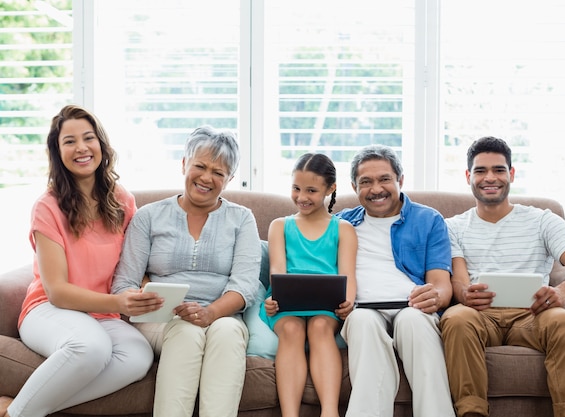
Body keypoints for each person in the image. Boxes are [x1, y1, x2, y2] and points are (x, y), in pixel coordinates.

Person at [0, 105, 162, 417]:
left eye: (88, 138)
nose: (81, 148)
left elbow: (135, 262)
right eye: (69, 141)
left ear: (101, 144)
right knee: (92, 348)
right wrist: (119, 304)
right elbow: (58, 291)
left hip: (102, 315)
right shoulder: (47, 207)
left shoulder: (122, 200)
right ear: (57, 151)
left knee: (137, 355)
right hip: (49, 309)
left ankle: (18, 409)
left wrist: (145, 291)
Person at [439, 136, 565, 417]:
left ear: (511, 174)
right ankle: (472, 412)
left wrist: (562, 291)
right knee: (456, 318)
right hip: (481, 315)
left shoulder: (543, 219)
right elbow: (457, 279)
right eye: (480, 171)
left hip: (535, 315)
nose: (489, 178)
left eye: (499, 170)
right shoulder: (452, 226)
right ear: (469, 176)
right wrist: (464, 293)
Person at [111, 125, 261, 417]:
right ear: (184, 164)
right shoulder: (149, 217)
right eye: (200, 166)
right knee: (186, 332)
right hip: (161, 320)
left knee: (229, 332)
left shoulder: (242, 219)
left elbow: (245, 285)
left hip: (223, 315)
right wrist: (150, 297)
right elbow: (124, 283)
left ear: (229, 178)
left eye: (219, 172)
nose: (207, 177)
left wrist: (211, 313)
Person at [335, 144, 456, 417]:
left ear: (400, 181)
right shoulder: (341, 224)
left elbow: (441, 284)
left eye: (384, 179)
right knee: (362, 322)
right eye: (365, 182)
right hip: (362, 310)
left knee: (414, 322)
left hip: (412, 308)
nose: (375, 189)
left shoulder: (429, 220)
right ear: (354, 187)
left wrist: (435, 295)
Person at [260, 153, 357, 417]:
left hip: (327, 306)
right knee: (291, 328)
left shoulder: (344, 228)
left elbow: (348, 275)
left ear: (331, 189)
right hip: (285, 303)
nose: (302, 197)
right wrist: (273, 301)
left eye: (311, 190)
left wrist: (347, 303)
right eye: (296, 188)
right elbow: (277, 273)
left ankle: (329, 412)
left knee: (320, 326)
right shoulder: (279, 226)